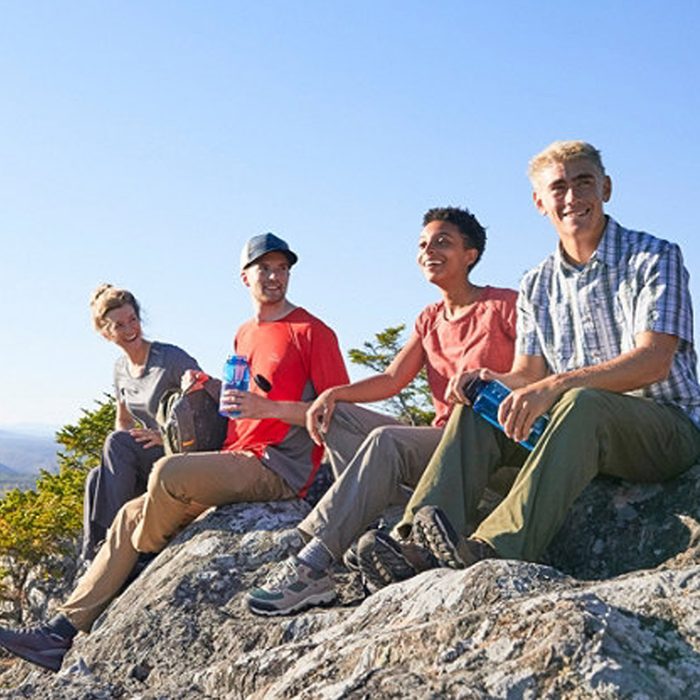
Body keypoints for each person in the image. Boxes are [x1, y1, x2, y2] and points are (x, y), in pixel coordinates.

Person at [0, 233, 350, 672]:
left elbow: (339, 413)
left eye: (282, 268)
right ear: (245, 277)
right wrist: (210, 392)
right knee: (128, 514)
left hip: (278, 464)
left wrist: (268, 408)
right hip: (233, 455)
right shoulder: (244, 334)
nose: (275, 276)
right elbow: (234, 408)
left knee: (166, 473)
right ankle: (60, 632)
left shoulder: (312, 332)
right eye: (265, 268)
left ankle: (143, 555)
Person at [358, 140, 700, 587]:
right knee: (480, 407)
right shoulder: (537, 283)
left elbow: (654, 361)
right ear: (540, 203)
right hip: (573, 428)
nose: (572, 198)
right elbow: (529, 376)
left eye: (584, 183)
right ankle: (417, 544)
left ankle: (493, 549)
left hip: (665, 428)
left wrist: (555, 387)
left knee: (581, 401)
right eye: (558, 188)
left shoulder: (654, 256)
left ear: (607, 188)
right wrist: (487, 381)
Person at [246, 206, 518, 615]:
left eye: (443, 242)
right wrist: (333, 394)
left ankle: (312, 565)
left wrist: (488, 376)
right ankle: (388, 529)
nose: (429, 250)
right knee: (335, 415)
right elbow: (393, 379)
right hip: (440, 443)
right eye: (423, 244)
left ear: (471, 254)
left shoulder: (505, 305)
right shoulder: (430, 319)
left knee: (386, 440)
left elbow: (538, 372)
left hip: (487, 446)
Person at [82, 285, 201, 562]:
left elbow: (206, 407)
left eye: (132, 320)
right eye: (119, 325)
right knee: (95, 478)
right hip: (150, 460)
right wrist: (120, 460)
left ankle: (114, 546)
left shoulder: (170, 358)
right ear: (105, 332)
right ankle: (91, 556)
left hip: (183, 454)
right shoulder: (120, 370)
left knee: (116, 443)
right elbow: (122, 421)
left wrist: (164, 436)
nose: (129, 329)